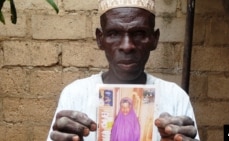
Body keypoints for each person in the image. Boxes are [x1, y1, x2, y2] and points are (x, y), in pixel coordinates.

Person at [47, 0, 200, 141]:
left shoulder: (175, 97)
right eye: (114, 34)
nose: (127, 46)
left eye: (139, 33)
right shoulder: (75, 95)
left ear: (154, 39)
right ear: (100, 39)